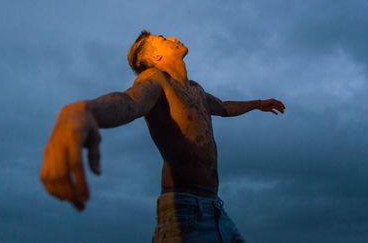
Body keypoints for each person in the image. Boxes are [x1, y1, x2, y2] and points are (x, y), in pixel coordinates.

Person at [40, 30, 285, 242]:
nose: (174, 38)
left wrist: (258, 103)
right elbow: (130, 102)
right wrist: (84, 111)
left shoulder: (196, 89)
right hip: (185, 211)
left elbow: (223, 106)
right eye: (164, 39)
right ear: (157, 57)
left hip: (215, 207)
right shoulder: (155, 79)